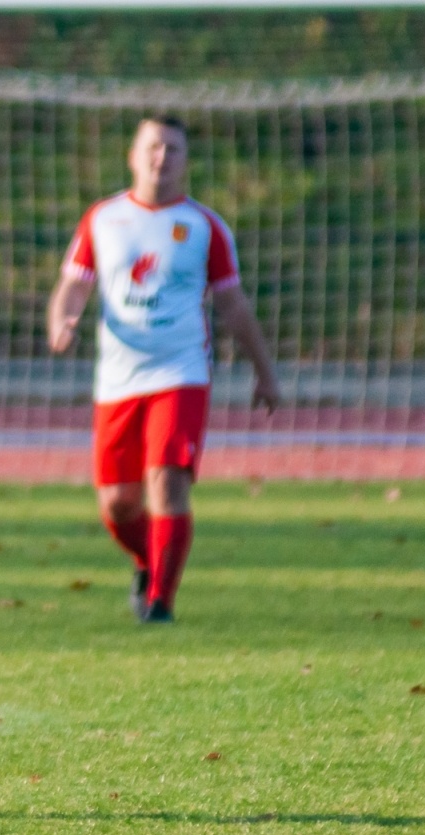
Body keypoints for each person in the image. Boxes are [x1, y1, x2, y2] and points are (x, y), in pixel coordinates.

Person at [47, 114, 282, 624]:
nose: (162, 157)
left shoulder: (203, 226)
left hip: (181, 372)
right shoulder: (102, 219)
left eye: (173, 149)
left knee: (167, 481)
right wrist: (61, 319)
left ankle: (160, 604)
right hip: (117, 379)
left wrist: (264, 372)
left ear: (185, 161)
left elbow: (233, 304)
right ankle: (148, 562)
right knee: (117, 503)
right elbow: (74, 284)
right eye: (153, 146)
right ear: (133, 156)